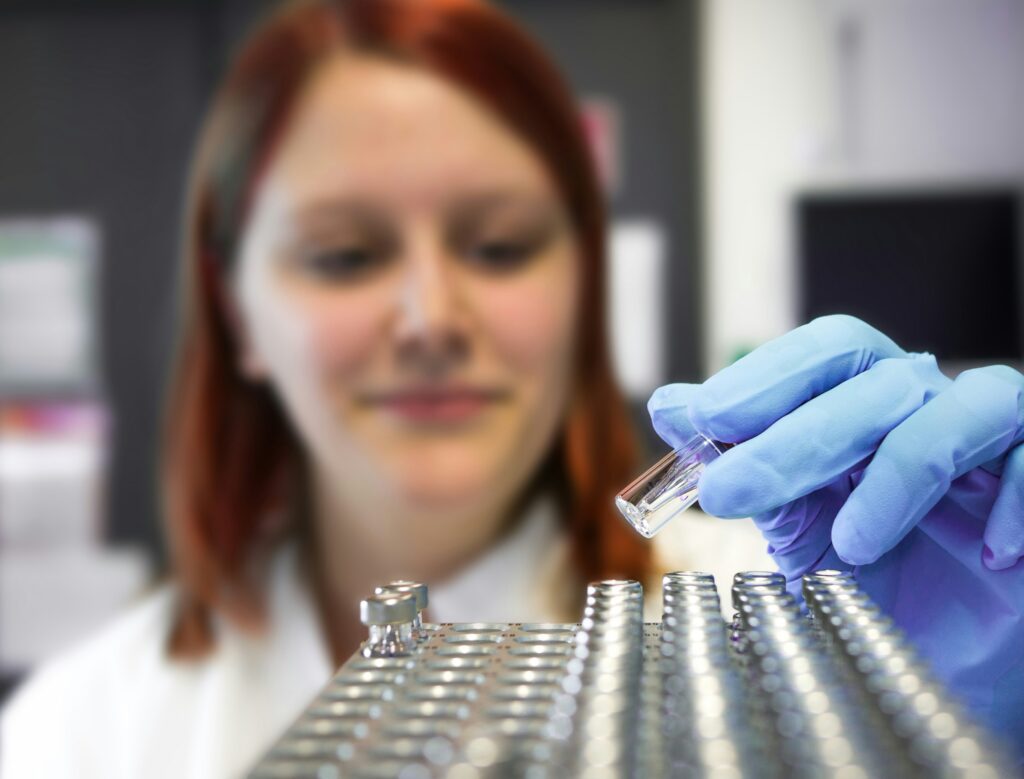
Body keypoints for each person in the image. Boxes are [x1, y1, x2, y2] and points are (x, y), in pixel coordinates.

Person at [2, 0, 1022, 776]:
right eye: (345, 253)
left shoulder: (795, 624)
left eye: (498, 244)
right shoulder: (75, 734)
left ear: (581, 285)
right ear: (236, 313)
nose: (433, 315)